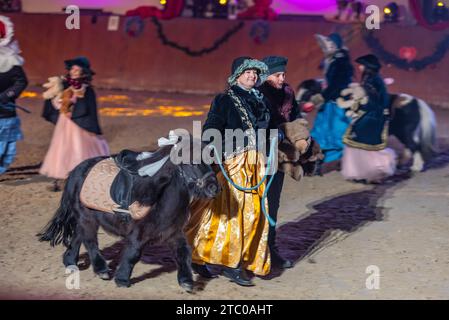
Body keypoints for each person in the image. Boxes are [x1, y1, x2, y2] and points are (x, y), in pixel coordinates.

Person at [185, 57, 272, 286]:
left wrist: (277, 136)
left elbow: (264, 128)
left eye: (254, 72)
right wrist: (213, 142)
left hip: (256, 164)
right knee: (240, 213)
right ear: (237, 75)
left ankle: (195, 254)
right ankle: (230, 264)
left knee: (216, 214)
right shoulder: (224, 99)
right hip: (235, 163)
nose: (252, 76)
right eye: (247, 72)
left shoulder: (259, 99)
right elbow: (212, 126)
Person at [40, 56, 109, 190]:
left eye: (77, 70)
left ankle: (78, 178)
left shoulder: (86, 89)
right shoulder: (65, 85)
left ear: (83, 72)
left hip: (78, 123)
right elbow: (57, 100)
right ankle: (58, 179)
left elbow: (87, 107)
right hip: (65, 122)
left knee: (78, 149)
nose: (73, 72)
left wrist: (74, 106)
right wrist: (58, 102)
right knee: (61, 149)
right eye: (72, 69)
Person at [258, 55, 301, 269]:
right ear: (266, 76)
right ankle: (248, 252)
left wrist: (298, 134)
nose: (282, 78)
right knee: (255, 204)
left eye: (284, 74)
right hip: (256, 156)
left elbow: (295, 116)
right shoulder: (257, 93)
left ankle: (270, 248)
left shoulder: (288, 92)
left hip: (278, 155)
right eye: (277, 75)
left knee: (272, 204)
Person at [341, 54, 397, 183]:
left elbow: (375, 101)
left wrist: (360, 105)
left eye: (362, 65)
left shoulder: (373, 80)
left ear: (368, 67)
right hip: (368, 114)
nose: (360, 67)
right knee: (356, 143)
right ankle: (358, 172)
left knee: (364, 144)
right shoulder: (370, 78)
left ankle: (377, 168)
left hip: (372, 116)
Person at [311, 33, 354, 174]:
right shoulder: (332, 60)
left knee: (336, 133)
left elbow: (337, 85)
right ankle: (322, 161)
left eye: (331, 45)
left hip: (336, 104)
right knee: (322, 132)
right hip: (330, 103)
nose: (327, 47)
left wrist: (323, 96)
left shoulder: (341, 62)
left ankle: (335, 162)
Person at [0, 15, 28, 175]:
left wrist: (5, 96)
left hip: (4, 110)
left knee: (6, 146)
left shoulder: (11, 60)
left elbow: (21, 82)